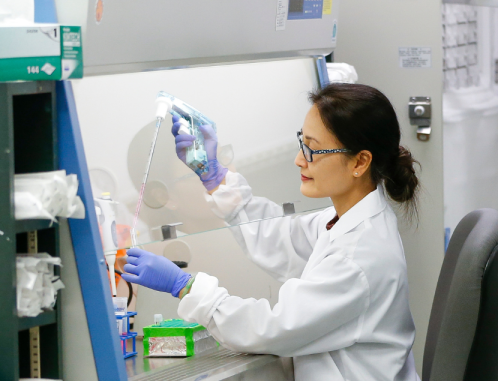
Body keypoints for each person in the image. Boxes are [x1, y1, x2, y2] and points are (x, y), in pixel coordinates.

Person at [121, 83, 422, 381]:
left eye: (313, 149)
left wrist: (185, 286)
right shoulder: (346, 220)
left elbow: (272, 328)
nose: (299, 159)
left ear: (360, 162)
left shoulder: (359, 255)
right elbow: (281, 238)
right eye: (301, 143)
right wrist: (215, 178)